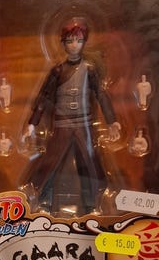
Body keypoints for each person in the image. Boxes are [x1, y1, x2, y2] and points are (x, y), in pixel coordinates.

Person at [22, 18, 120, 214]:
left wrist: (112, 121)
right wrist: (32, 124)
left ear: (84, 42)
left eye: (78, 40)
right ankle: (42, 199)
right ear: (63, 43)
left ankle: (93, 204)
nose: (74, 45)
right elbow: (44, 98)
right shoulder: (58, 70)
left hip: (84, 124)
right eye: (70, 41)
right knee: (51, 162)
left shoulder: (89, 70)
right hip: (62, 124)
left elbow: (101, 95)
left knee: (89, 164)